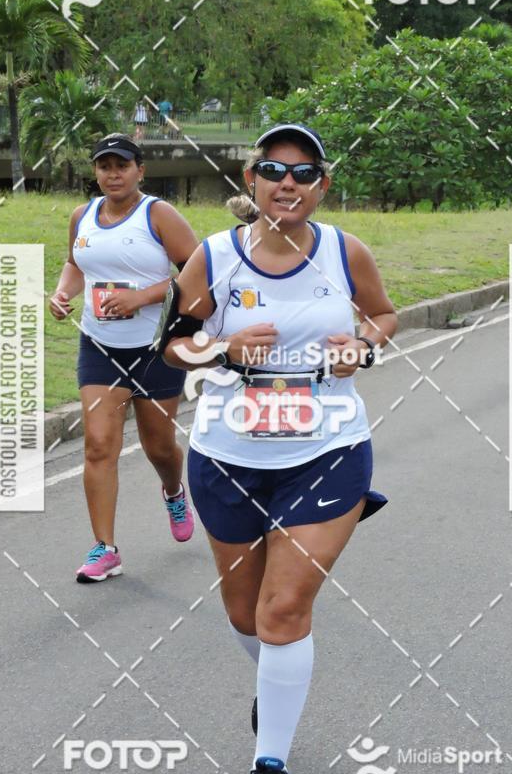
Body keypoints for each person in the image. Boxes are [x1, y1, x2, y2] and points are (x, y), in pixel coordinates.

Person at [165, 124, 398, 773]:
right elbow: (174, 346)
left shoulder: (345, 252)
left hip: (328, 452)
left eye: (303, 172)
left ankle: (270, 757)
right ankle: (276, 682)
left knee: (285, 607)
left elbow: (383, 315)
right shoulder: (214, 257)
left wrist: (363, 347)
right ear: (252, 180)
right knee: (247, 614)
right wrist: (223, 349)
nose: (287, 183)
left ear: (322, 185)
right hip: (227, 456)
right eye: (273, 170)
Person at [49, 133, 198, 584]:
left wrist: (141, 297)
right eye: (104, 166)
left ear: (140, 171)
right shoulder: (82, 216)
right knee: (98, 444)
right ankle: (105, 548)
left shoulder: (158, 214)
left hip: (154, 348)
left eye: (122, 166)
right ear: (95, 172)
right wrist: (62, 293)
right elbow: (75, 264)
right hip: (100, 346)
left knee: (159, 447)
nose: (112, 174)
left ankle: (173, 491)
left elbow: (196, 273)